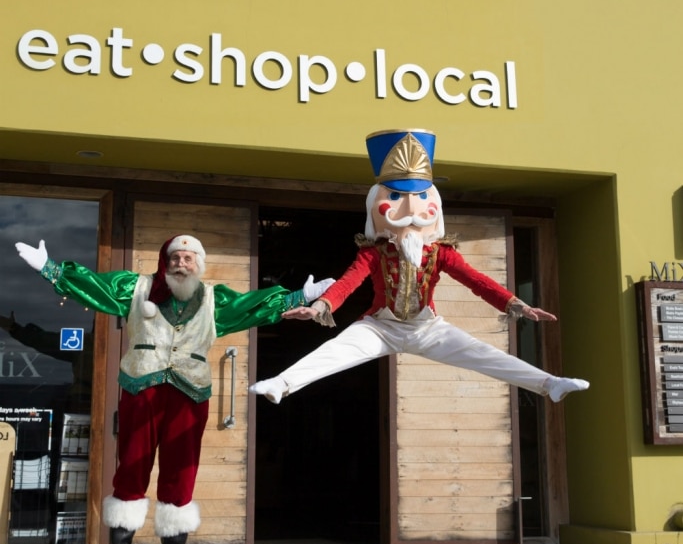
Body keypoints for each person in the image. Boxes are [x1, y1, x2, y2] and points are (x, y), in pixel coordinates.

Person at [15, 233, 332, 544]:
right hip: (140, 390)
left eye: (189, 258)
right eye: (176, 257)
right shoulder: (135, 288)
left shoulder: (215, 299)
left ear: (200, 264)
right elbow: (95, 287)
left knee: (181, 474)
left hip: (190, 394)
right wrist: (51, 270)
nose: (182, 263)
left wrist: (300, 297)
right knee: (131, 468)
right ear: (165, 262)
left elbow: (252, 305)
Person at [251, 128, 590, 406]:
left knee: (482, 354)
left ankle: (550, 383)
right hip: (380, 327)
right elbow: (347, 283)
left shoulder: (440, 253)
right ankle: (281, 383)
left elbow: (477, 281)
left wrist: (516, 304)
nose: (411, 210)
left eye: (421, 199)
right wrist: (321, 307)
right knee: (336, 351)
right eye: (396, 198)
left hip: (427, 328)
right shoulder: (374, 253)